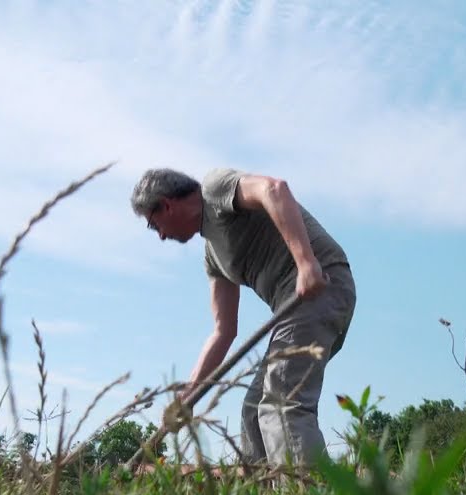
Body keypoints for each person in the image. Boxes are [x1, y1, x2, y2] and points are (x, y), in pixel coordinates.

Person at [130, 167, 356, 469]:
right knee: (254, 409)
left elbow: (274, 189)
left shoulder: (214, 189)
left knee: (281, 402)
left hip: (321, 284)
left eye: (153, 224)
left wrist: (305, 263)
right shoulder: (213, 256)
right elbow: (223, 331)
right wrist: (188, 398)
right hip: (297, 305)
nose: (160, 235)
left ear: (167, 205)